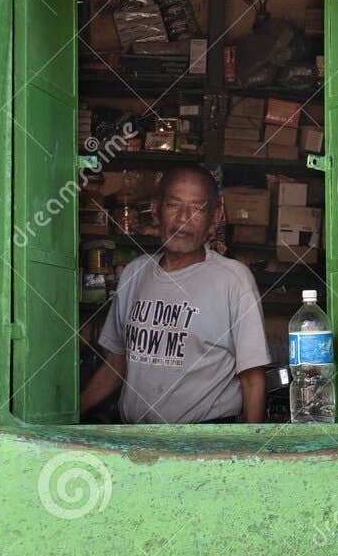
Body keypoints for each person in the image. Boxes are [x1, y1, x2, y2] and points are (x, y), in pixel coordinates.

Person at [79, 165, 271, 425]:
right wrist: (66, 417)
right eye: (173, 205)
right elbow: (116, 364)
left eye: (197, 208)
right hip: (136, 442)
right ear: (157, 212)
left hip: (204, 443)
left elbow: (252, 379)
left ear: (214, 218)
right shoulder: (135, 273)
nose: (183, 219)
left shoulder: (233, 279)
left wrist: (251, 456)